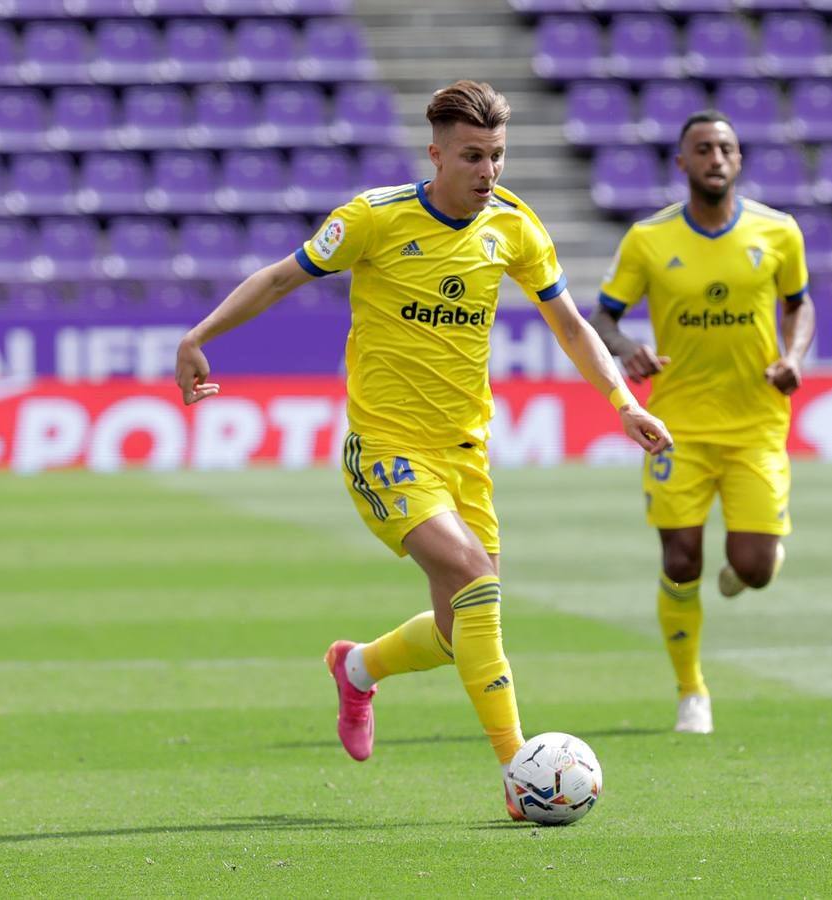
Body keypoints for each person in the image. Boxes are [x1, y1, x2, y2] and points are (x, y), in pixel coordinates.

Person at [174, 80, 672, 818]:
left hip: (466, 453)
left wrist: (623, 404)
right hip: (385, 448)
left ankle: (358, 666)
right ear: (436, 154)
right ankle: (520, 772)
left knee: (457, 630)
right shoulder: (373, 219)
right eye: (473, 156)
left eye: (498, 156)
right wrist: (198, 337)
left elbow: (570, 325)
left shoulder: (515, 227)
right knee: (477, 581)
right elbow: (282, 276)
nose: (488, 172)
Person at [589, 111, 815, 735]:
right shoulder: (648, 239)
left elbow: (799, 305)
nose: (716, 157)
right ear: (682, 163)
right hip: (677, 425)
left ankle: (753, 563)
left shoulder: (779, 232)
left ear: (738, 161)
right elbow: (602, 316)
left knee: (755, 569)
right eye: (703, 149)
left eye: (727, 148)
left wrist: (792, 356)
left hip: (755, 425)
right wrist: (625, 346)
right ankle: (692, 690)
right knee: (681, 558)